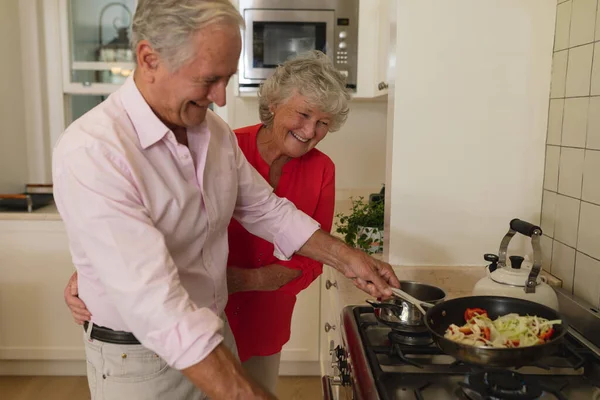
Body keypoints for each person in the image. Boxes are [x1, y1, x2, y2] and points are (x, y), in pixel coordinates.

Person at [53, 1, 400, 399]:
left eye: (227, 79)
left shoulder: (212, 133)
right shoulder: (94, 149)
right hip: (143, 358)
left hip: (216, 333)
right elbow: (151, 300)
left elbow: (265, 209)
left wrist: (347, 257)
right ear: (149, 59)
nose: (219, 96)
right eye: (209, 79)